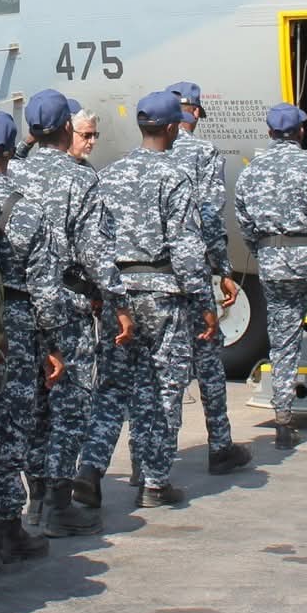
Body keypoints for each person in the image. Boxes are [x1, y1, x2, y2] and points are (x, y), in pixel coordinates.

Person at [77, 90, 212, 509]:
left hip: (120, 295)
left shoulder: (109, 175)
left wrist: (107, 293)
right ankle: (154, 479)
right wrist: (204, 301)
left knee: (112, 386)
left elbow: (93, 242)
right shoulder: (175, 178)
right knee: (163, 387)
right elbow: (187, 248)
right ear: (172, 128)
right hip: (163, 295)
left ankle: (90, 470)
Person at [14, 89, 131, 536]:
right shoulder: (80, 180)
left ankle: (36, 500)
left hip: (26, 304)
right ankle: (58, 504)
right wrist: (118, 302)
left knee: (35, 406)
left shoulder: (15, 175)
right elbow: (96, 252)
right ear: (67, 128)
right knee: (70, 404)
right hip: (69, 303)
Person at [0, 112, 64, 561]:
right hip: (20, 324)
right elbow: (46, 287)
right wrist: (52, 342)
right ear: (10, 150)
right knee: (12, 428)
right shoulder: (30, 207)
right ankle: (9, 524)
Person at [232, 104, 307, 449]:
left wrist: (265, 250)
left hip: (273, 261)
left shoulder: (251, 171)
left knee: (283, 340)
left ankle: (283, 419)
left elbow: (245, 223)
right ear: (300, 132)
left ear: (269, 133)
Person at [165, 81, 249, 476]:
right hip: (194, 274)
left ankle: (151, 460)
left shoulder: (139, 158)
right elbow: (211, 217)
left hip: (152, 281)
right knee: (208, 361)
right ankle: (220, 446)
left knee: (158, 371)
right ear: (195, 112)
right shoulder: (203, 153)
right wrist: (224, 271)